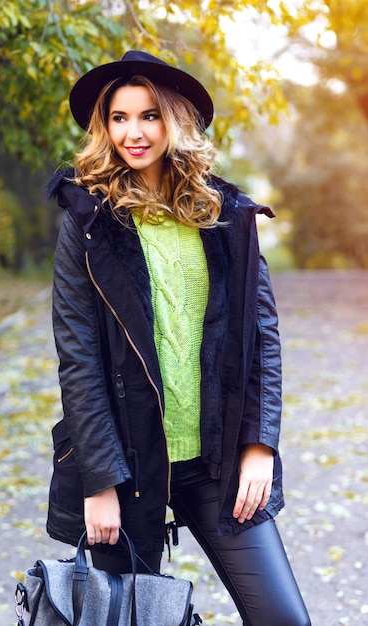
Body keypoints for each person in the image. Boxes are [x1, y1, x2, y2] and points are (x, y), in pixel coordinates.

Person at [47, 50, 311, 626]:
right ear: (104, 125)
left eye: (149, 116)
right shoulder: (87, 218)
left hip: (214, 459)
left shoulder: (225, 212)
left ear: (176, 120)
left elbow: (262, 335)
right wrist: (99, 481)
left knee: (283, 618)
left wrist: (261, 444)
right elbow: (79, 359)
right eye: (119, 117)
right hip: (126, 464)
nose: (133, 133)